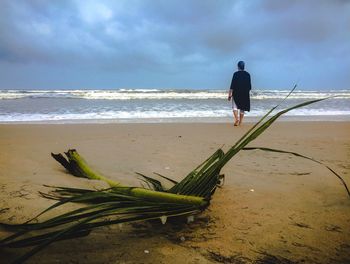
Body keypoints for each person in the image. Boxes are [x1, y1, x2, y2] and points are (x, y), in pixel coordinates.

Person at [228, 60, 251, 126]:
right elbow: (249, 86)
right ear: (244, 67)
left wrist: (230, 95)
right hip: (244, 93)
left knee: (234, 107)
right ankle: (240, 122)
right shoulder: (248, 74)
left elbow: (232, 85)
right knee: (242, 108)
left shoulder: (235, 74)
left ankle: (237, 119)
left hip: (236, 93)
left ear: (238, 67)